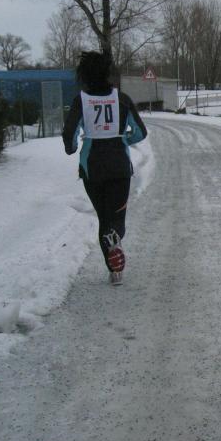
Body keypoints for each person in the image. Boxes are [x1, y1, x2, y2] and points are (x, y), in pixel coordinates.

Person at [62, 51, 147, 286]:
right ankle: (115, 239)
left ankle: (114, 270)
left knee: (104, 217)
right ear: (108, 72)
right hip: (119, 166)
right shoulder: (123, 99)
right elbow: (140, 132)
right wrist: (123, 139)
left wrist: (73, 147)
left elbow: (69, 136)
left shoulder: (81, 101)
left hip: (93, 169)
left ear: (84, 75)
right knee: (117, 217)